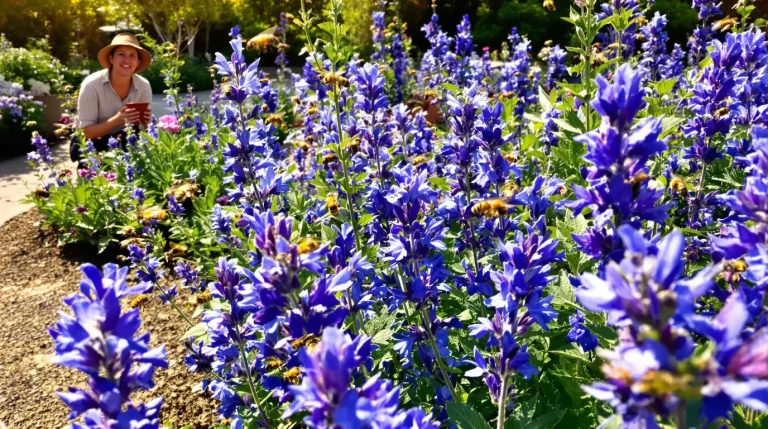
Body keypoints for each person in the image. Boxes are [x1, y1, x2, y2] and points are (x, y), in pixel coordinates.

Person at [71, 33, 153, 164]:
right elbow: (84, 133)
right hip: (94, 142)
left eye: (132, 56)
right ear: (111, 58)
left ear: (137, 62)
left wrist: (146, 122)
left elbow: (142, 130)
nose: (127, 60)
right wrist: (116, 121)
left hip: (127, 139)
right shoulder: (91, 84)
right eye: (121, 54)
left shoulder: (143, 86)